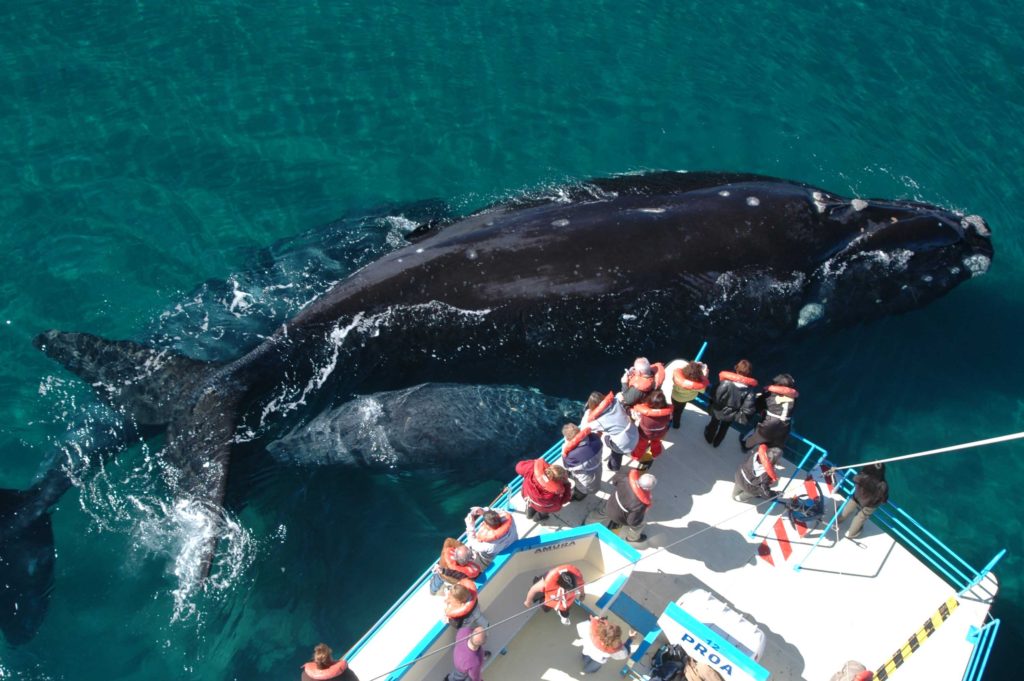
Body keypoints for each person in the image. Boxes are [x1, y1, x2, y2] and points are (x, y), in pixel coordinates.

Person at [703, 360, 758, 448]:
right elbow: (748, 409)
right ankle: (717, 443)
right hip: (732, 414)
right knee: (724, 428)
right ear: (749, 373)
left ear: (736, 369)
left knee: (714, 423)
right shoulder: (749, 391)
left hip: (718, 409)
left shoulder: (725, 383)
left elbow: (713, 394)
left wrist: (712, 404)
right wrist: (737, 415)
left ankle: (709, 438)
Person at [582, 390, 639, 471]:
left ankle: (613, 467)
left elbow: (584, 426)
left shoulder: (599, 422)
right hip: (634, 434)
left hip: (624, 445)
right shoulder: (616, 400)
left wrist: (588, 412)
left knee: (607, 440)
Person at [742, 373, 798, 450]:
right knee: (771, 445)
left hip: (770, 424)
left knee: (756, 436)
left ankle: (745, 446)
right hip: (785, 427)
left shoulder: (770, 395)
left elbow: (758, 405)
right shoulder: (794, 399)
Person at [837, 463, 889, 539]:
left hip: (857, 497)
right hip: (870, 504)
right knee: (861, 517)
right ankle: (851, 534)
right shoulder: (883, 485)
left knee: (850, 505)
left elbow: (854, 478)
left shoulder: (862, 477)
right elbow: (884, 499)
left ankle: (840, 519)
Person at [606, 470, 656, 543]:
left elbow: (614, 480)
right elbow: (632, 522)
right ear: (648, 489)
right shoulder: (640, 504)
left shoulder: (625, 479)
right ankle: (632, 538)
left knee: (600, 512)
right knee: (640, 524)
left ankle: (589, 522)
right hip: (618, 517)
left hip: (609, 505)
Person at [630, 392, 673, 470]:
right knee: (656, 443)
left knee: (641, 446)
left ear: (649, 402)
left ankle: (636, 456)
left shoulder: (642, 413)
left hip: (644, 434)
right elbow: (670, 419)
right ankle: (655, 454)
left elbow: (634, 416)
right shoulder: (668, 413)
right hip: (659, 433)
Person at [561, 423, 603, 500]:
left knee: (583, 489)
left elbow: (566, 466)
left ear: (568, 439)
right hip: (596, 466)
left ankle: (579, 497)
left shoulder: (571, 455)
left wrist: (565, 447)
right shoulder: (595, 438)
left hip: (585, 477)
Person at [670, 360, 709, 429]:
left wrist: (692, 366)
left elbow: (675, 377)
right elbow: (703, 390)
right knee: (679, 410)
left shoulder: (678, 378)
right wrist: (705, 375)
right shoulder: (697, 384)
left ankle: (673, 419)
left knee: (675, 409)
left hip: (675, 396)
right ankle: (676, 424)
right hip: (686, 399)